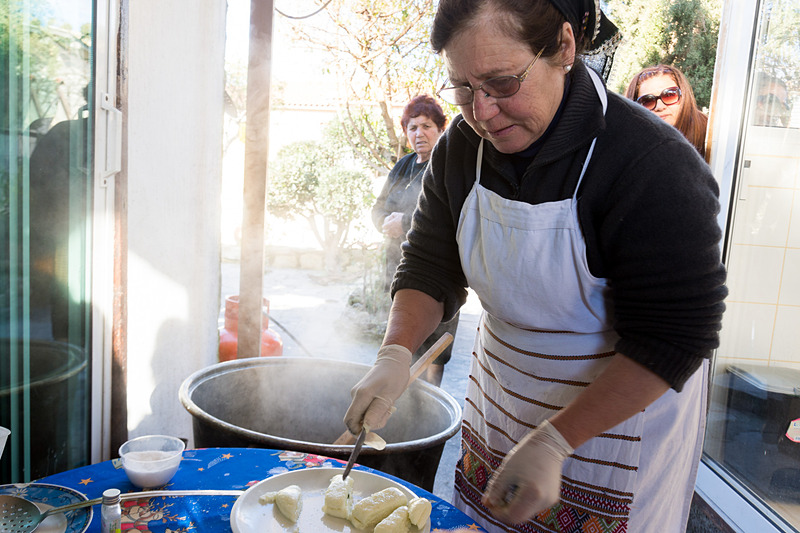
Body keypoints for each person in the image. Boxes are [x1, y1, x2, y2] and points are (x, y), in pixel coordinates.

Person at [344, 1, 727, 532]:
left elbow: (677, 335)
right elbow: (430, 264)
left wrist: (556, 439)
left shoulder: (649, 163)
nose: (481, 112)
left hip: (614, 433)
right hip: (501, 408)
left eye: (501, 83)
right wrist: (395, 350)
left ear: (564, 48)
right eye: (462, 87)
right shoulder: (461, 148)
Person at [371, 95, 458, 387]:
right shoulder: (404, 165)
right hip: (398, 271)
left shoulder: (448, 166)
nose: (418, 133)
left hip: (436, 273)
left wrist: (404, 223)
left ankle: (432, 416)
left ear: (440, 129)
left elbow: (450, 215)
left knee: (433, 353)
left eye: (426, 126)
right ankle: (401, 411)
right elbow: (378, 207)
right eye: (412, 127)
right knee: (400, 346)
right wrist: (384, 222)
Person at [626, 64, 709, 160]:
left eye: (669, 95)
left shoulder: (713, 135)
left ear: (684, 96)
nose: (660, 107)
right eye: (647, 101)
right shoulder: (636, 155)